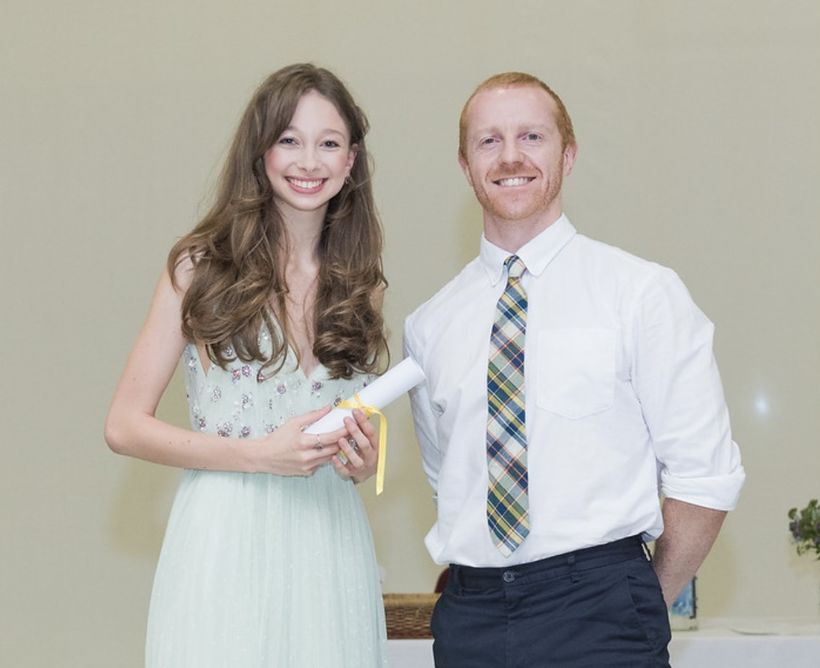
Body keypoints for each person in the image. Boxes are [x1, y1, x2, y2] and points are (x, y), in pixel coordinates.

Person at [404, 72, 745, 667]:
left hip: (602, 612)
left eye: (531, 136)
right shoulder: (429, 324)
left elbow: (705, 479)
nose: (511, 156)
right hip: (469, 619)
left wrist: (635, 599)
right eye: (489, 141)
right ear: (464, 165)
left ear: (568, 153)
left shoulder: (641, 293)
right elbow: (448, 479)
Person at [105, 64, 388, 667]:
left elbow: (356, 437)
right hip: (224, 534)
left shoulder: (361, 284)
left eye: (329, 143)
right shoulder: (199, 267)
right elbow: (123, 425)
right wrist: (258, 454)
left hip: (329, 540)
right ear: (260, 151)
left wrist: (363, 461)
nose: (309, 161)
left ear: (351, 160)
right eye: (289, 139)